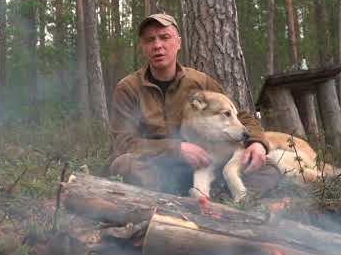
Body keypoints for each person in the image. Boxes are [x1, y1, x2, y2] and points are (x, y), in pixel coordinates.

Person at [108, 13, 282, 198]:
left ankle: (215, 200)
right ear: (143, 47)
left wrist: (256, 141)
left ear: (178, 42)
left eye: (165, 37)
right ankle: (181, 200)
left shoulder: (200, 82)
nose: (158, 45)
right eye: (150, 40)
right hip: (159, 165)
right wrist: (176, 149)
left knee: (268, 168)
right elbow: (123, 143)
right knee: (125, 164)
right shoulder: (128, 88)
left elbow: (239, 116)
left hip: (202, 164)